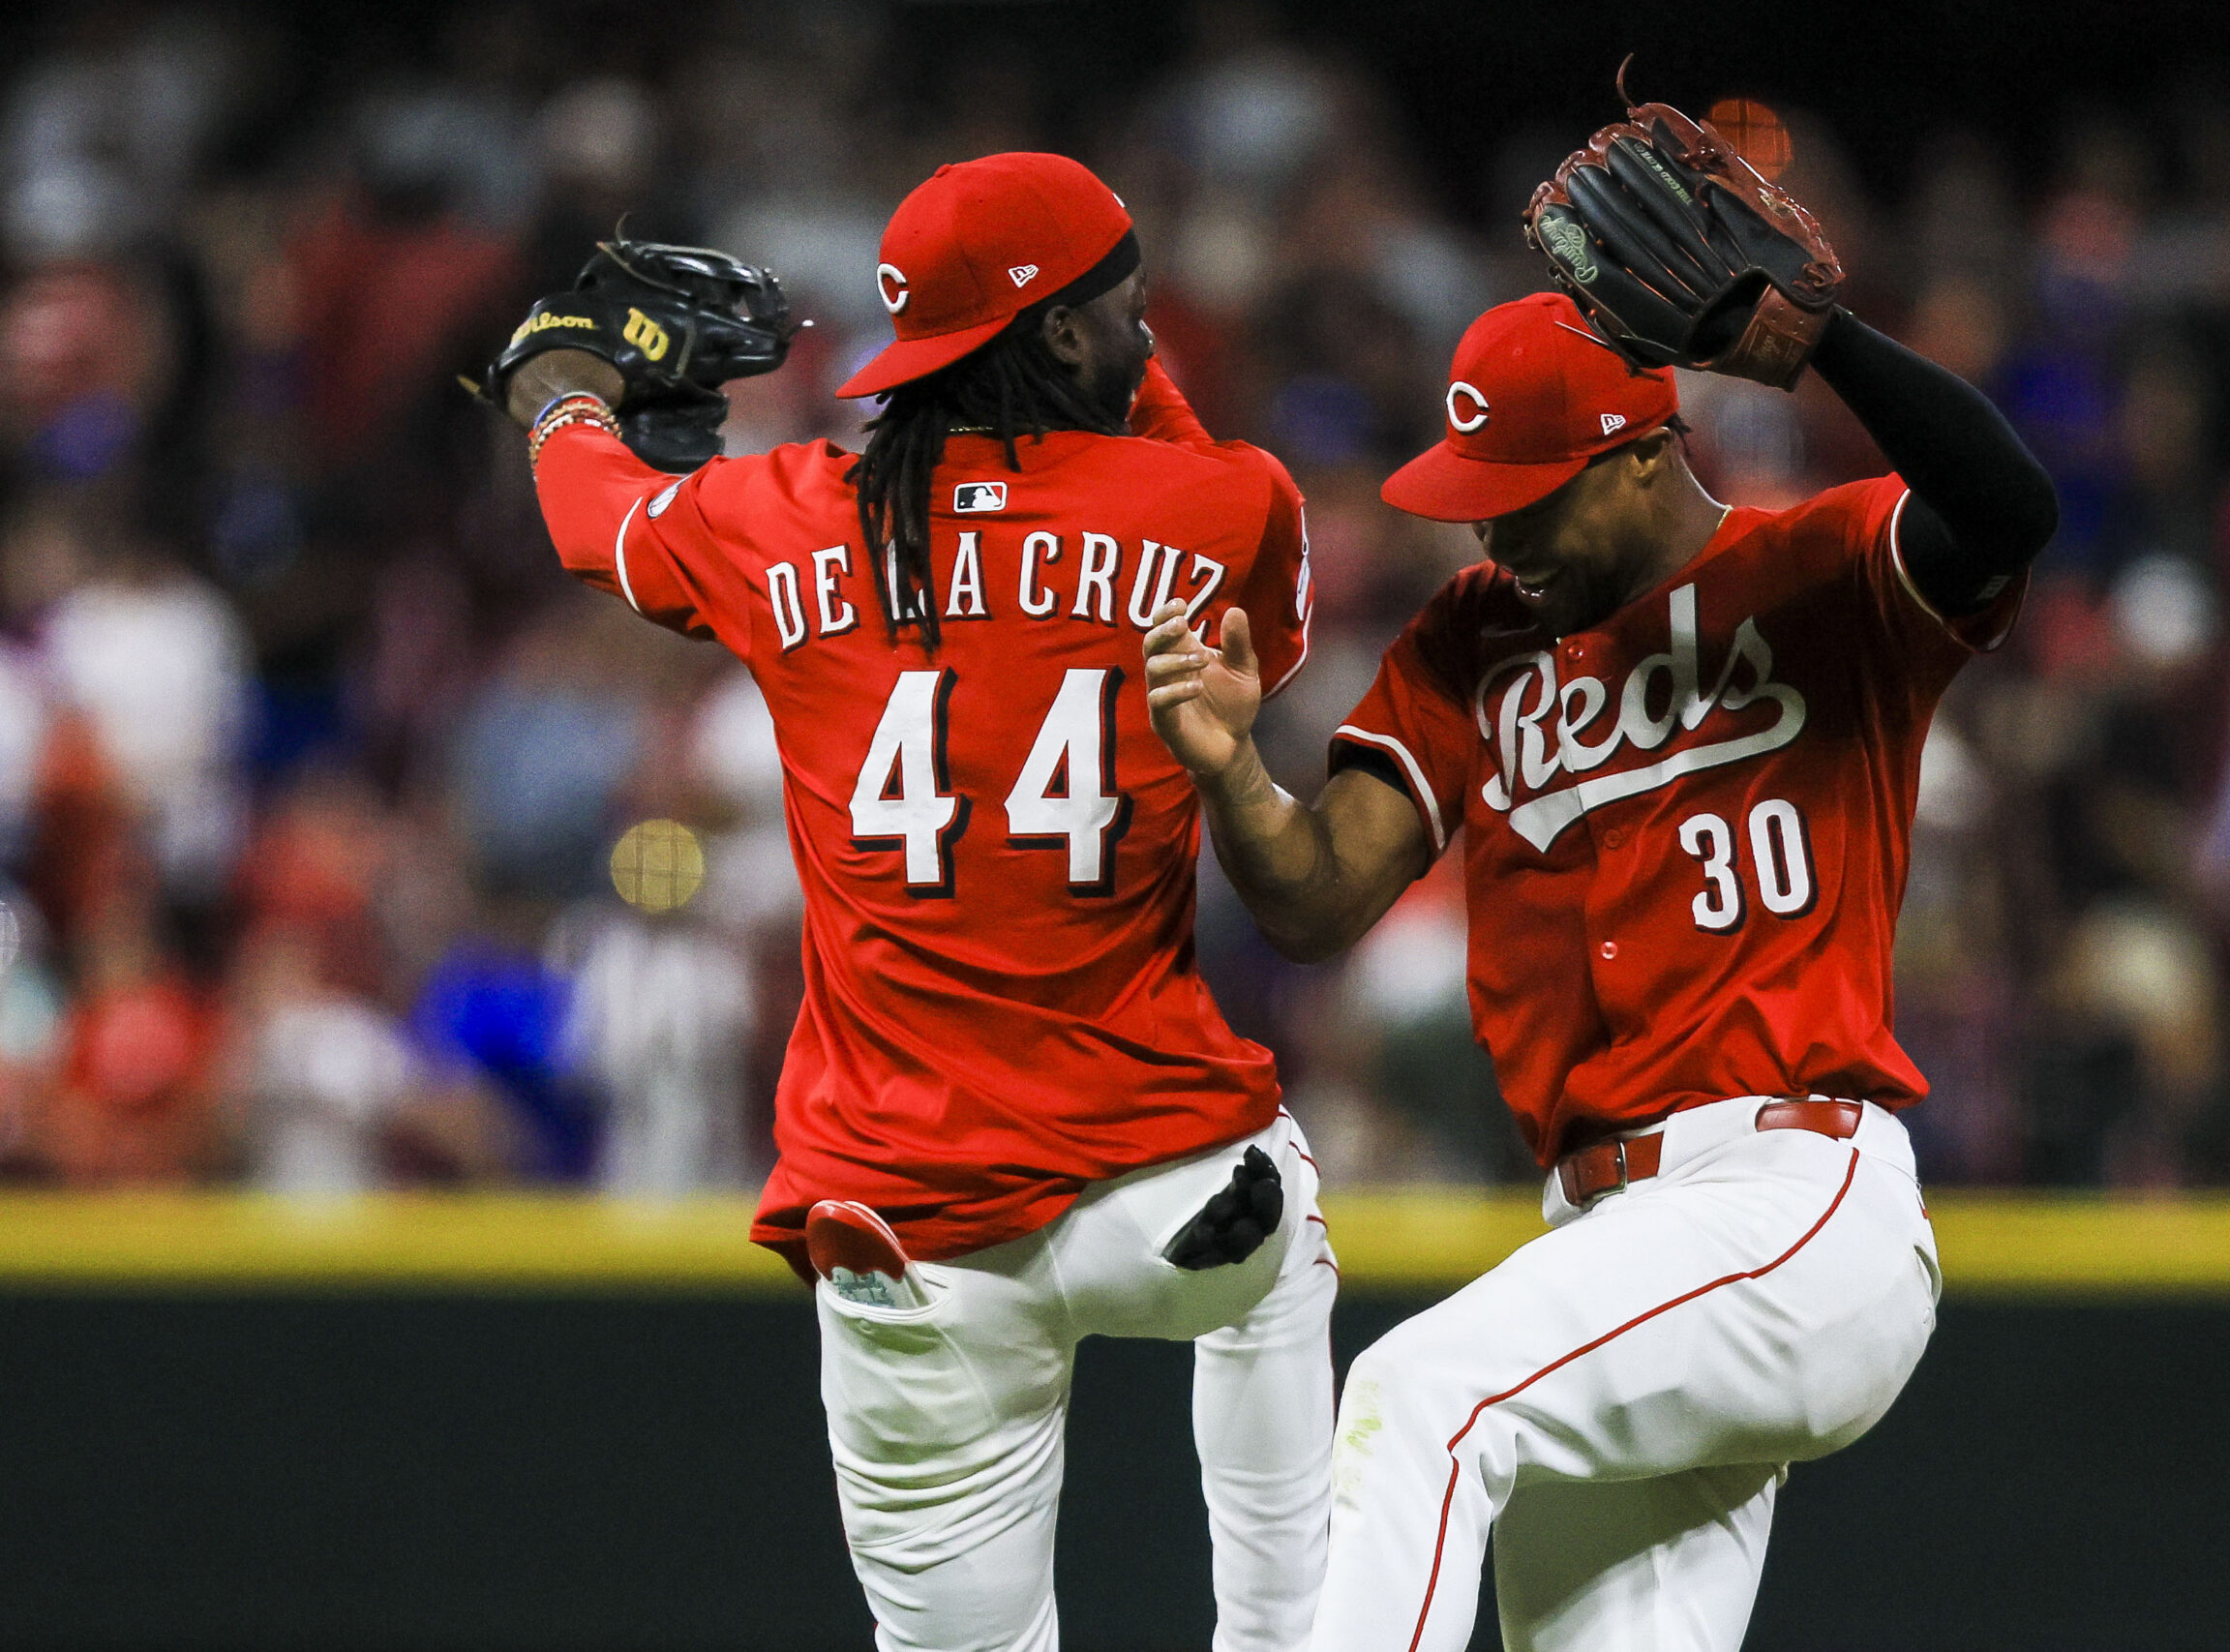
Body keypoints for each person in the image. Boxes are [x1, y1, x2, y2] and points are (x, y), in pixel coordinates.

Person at [501, 153, 1336, 1652]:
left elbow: (589, 518)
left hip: (905, 1219)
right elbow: (1203, 509)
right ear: (1070, 339)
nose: (1152, 341)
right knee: (1280, 1262)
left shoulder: (777, 514)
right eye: (1128, 314)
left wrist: (559, 380)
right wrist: (1104, 392)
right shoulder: (1221, 504)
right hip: (1170, 1184)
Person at [1143, 279, 2055, 1650]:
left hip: (1787, 1195)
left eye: (1528, 493)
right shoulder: (1477, 635)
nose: (1494, 528)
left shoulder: (1825, 568)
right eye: (1477, 496)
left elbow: (2007, 510)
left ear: (1642, 454)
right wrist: (1234, 781)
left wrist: (1828, 346)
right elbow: (1321, 899)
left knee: (1422, 1397)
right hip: (1610, 1243)